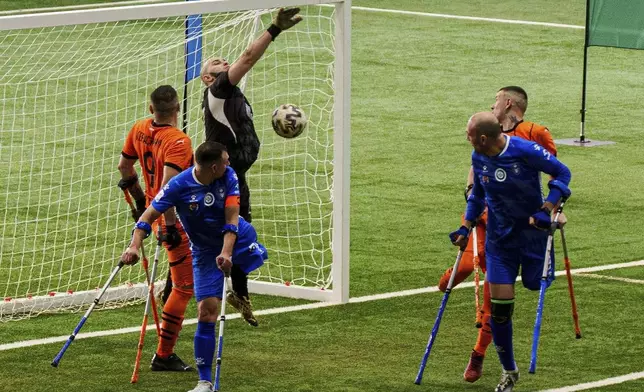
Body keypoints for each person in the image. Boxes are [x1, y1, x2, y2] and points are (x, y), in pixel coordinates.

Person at [121, 141, 268, 392]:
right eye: (225, 160)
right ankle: (204, 382)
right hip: (203, 252)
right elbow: (147, 218)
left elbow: (231, 220)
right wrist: (134, 246)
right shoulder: (179, 185)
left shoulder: (229, 177)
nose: (229, 164)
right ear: (213, 166)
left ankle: (240, 286)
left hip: (237, 239)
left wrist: (226, 252)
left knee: (257, 255)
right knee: (206, 311)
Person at [438, 86, 560, 382]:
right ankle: (491, 362)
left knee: (526, 286)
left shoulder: (534, 135)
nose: (492, 104)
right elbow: (476, 176)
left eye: (495, 100)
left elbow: (557, 173)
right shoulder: (481, 142)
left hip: (529, 227)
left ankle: (480, 354)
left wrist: (553, 208)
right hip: (491, 226)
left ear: (507, 103)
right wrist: (469, 209)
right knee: (474, 281)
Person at [196, 7, 302, 327]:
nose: (224, 62)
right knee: (213, 237)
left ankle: (239, 295)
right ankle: (179, 286)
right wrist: (274, 29)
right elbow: (247, 57)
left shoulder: (232, 94)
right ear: (206, 77)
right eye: (216, 62)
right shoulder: (217, 90)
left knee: (240, 235)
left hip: (234, 176)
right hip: (219, 180)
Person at [117, 85, 194, 372]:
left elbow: (124, 167)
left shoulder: (138, 128)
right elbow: (169, 190)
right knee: (185, 287)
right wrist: (170, 227)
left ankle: (165, 350)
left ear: (152, 109)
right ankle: (164, 354)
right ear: (177, 109)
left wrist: (139, 201)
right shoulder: (179, 141)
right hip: (175, 220)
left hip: (151, 212)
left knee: (183, 284)